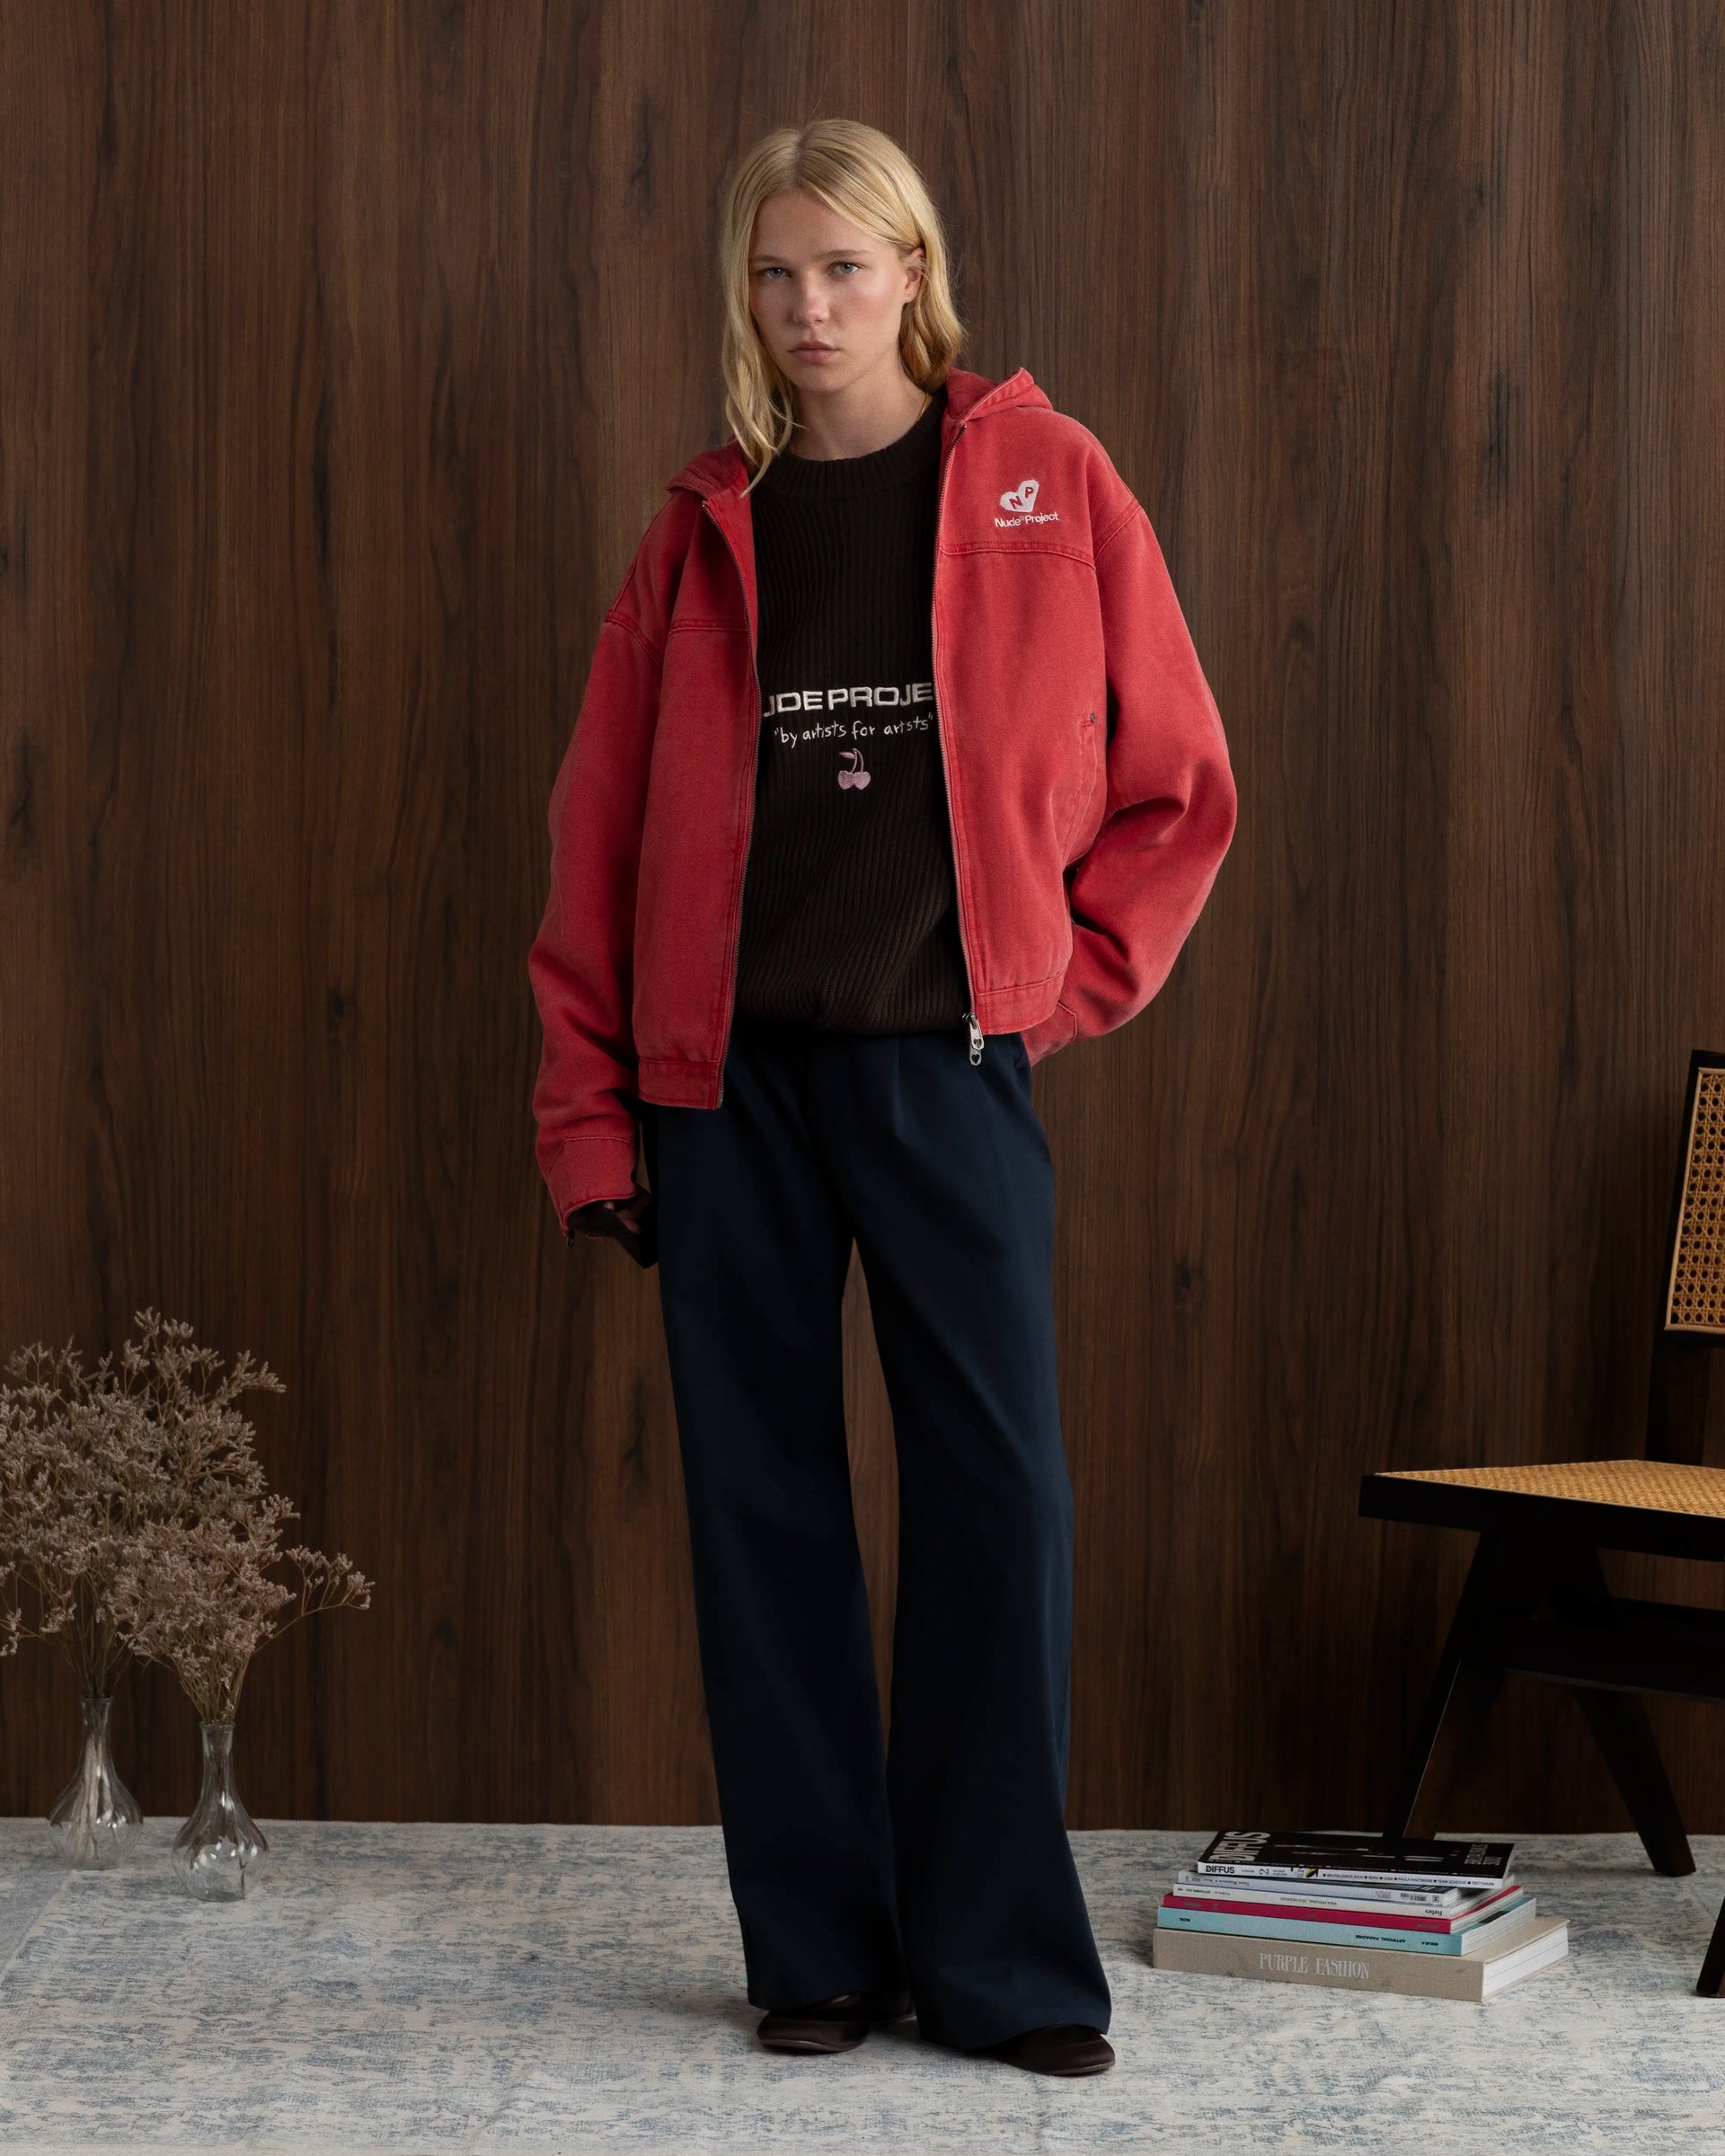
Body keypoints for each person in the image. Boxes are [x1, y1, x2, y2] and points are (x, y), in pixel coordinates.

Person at [528, 117, 1236, 2077]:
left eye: (844, 267)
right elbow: (596, 847)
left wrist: (1054, 988)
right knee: (764, 1517)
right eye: (776, 275)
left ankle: (1005, 1967)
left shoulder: (1050, 480)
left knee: (999, 1502)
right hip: (727, 1090)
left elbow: (1180, 785)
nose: (809, 307)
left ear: (913, 273)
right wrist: (590, 1117)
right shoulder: (702, 527)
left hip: (947, 1068)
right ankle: (823, 1954)